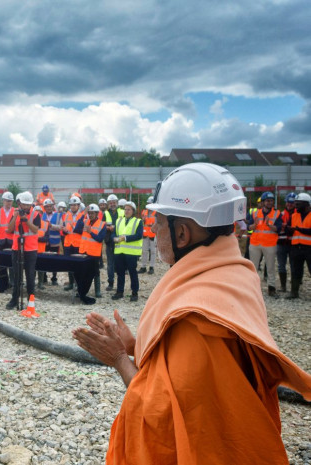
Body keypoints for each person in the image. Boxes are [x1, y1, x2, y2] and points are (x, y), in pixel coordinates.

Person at [73, 162, 311, 464]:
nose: (155, 232)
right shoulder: (235, 272)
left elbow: (164, 415)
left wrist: (119, 358)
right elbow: (194, 375)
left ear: (182, 234)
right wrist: (137, 346)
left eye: (158, 224)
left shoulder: (197, 319)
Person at [5, 192, 41, 310]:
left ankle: (31, 301)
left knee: (30, 275)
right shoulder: (15, 213)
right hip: (16, 248)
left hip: (30, 249)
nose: (25, 207)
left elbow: (35, 230)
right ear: (20, 203)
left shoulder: (35, 215)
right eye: (23, 204)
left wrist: (25, 220)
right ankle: (14, 299)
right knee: (17, 275)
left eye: (27, 205)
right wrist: (15, 216)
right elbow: (9, 230)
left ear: (31, 204)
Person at [248, 192, 282, 297]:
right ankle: (252, 288)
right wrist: (254, 225)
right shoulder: (255, 213)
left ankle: (271, 289)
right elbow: (249, 227)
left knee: (270, 267)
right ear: (263, 202)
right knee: (253, 267)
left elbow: (278, 229)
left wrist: (269, 225)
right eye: (267, 201)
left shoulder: (277, 214)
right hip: (255, 244)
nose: (269, 203)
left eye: (271, 201)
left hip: (269, 244)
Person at [75, 204, 106, 304]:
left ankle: (97, 291)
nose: (90, 215)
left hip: (94, 254)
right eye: (89, 213)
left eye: (92, 213)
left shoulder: (102, 224)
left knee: (95, 273)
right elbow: (76, 228)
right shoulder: (85, 221)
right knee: (81, 273)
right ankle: (80, 290)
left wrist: (90, 231)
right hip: (83, 252)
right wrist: (83, 214)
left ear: (97, 214)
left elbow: (100, 238)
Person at [112, 201, 143, 302]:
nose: (126, 211)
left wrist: (125, 238)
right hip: (119, 251)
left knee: (132, 272)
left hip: (131, 253)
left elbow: (139, 235)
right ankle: (119, 292)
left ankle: (134, 293)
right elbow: (114, 234)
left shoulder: (138, 221)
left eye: (129, 209)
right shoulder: (118, 221)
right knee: (120, 273)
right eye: (125, 209)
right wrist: (114, 239)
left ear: (133, 211)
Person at [286, 192, 311, 299]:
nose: (295, 206)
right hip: (296, 248)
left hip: (309, 248)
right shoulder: (294, 216)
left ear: (306, 205)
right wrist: (288, 229)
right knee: (295, 270)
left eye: (298, 204)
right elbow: (290, 232)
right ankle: (294, 292)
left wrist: (297, 229)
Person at [62, 196, 84, 291]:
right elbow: (63, 227)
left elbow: (82, 230)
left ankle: (78, 284)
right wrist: (64, 231)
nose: (73, 207)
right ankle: (71, 283)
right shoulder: (67, 215)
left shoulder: (83, 215)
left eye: (75, 205)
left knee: (78, 266)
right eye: (71, 205)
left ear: (79, 205)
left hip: (78, 244)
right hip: (68, 243)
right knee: (69, 264)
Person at [276, 193, 296, 292]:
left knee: (294, 266)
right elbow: (278, 227)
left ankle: (294, 287)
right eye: (288, 202)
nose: (290, 204)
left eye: (292, 203)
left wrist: (285, 226)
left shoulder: (298, 215)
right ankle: (283, 286)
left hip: (294, 244)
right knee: (281, 265)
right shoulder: (281, 214)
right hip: (281, 243)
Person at [40, 199, 62, 286]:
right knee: (44, 260)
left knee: (54, 261)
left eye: (50, 206)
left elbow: (60, 227)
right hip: (44, 242)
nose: (49, 208)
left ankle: (54, 278)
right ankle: (44, 278)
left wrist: (51, 226)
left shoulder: (58, 215)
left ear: (52, 206)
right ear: (44, 207)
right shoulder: (42, 216)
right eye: (47, 206)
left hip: (55, 242)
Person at [102, 194, 121, 292]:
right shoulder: (105, 213)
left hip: (120, 241)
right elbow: (101, 225)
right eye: (111, 203)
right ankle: (110, 283)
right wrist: (108, 228)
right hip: (109, 241)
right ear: (108, 204)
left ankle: (120, 285)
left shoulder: (122, 212)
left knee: (119, 264)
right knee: (110, 263)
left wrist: (115, 228)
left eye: (114, 202)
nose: (112, 204)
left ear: (117, 203)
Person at [138, 195, 156, 274]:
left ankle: (151, 267)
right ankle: (143, 267)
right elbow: (143, 222)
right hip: (145, 233)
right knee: (144, 251)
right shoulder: (144, 212)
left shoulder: (156, 213)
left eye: (150, 203)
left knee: (153, 251)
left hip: (153, 234)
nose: (149, 205)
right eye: (148, 203)